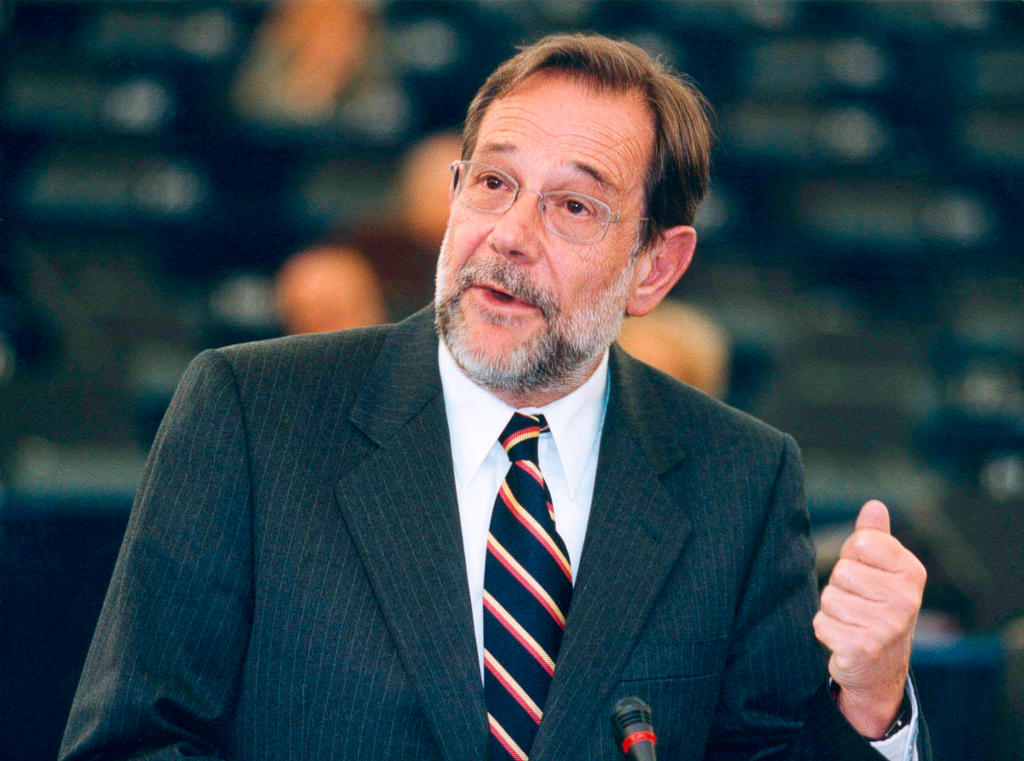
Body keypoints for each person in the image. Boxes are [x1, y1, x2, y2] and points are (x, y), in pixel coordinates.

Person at [60, 34, 929, 761]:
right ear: (451, 195)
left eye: (574, 206)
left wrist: (871, 702)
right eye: (494, 183)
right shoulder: (252, 414)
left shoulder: (741, 478)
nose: (510, 236)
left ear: (655, 267)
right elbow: (135, 741)